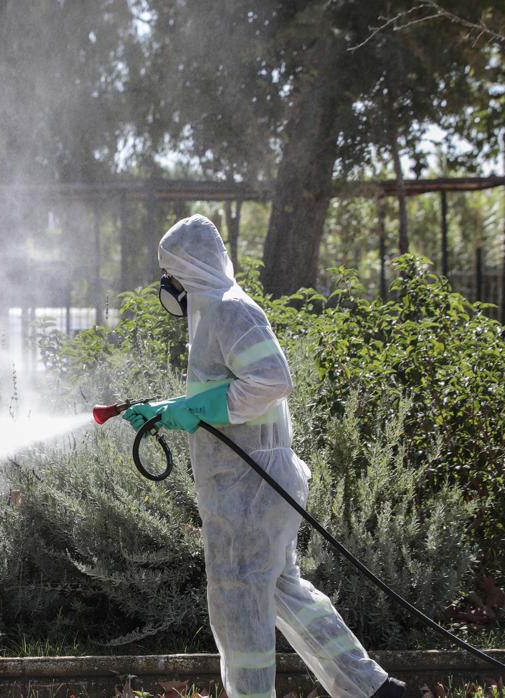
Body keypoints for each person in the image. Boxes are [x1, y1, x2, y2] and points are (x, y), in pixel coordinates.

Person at [123, 215, 406, 698]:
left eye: (170, 275)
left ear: (188, 271)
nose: (167, 287)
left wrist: (193, 410)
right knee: (281, 590)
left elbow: (272, 381)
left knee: (240, 606)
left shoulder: (231, 311)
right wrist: (168, 411)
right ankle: (375, 690)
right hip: (247, 486)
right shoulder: (214, 314)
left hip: (249, 490)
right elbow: (225, 392)